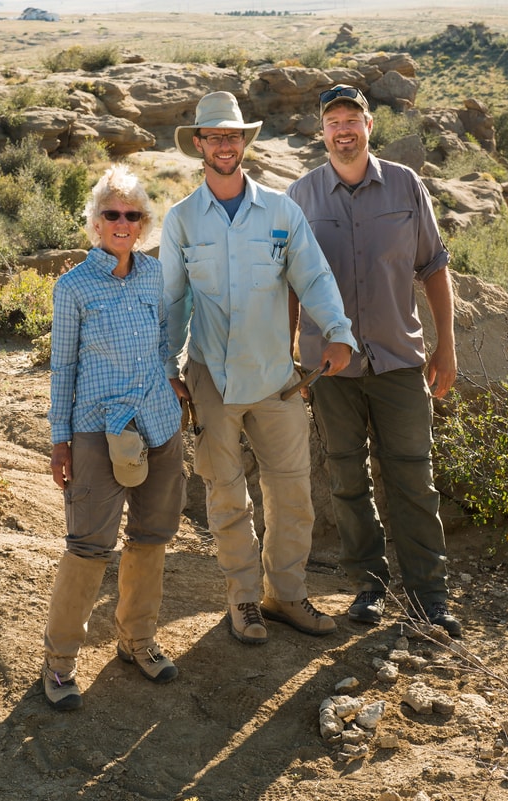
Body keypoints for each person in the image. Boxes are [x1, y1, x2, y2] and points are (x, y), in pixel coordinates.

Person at [161, 91, 358, 645]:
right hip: (210, 379)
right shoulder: (181, 220)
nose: (226, 145)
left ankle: (286, 595)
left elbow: (313, 278)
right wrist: (167, 367)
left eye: (234, 135)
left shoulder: (280, 211)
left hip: (276, 378)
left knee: (292, 494)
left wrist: (339, 332)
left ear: (244, 142)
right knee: (225, 493)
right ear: (198, 144)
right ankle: (244, 598)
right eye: (215, 136)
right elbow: (172, 304)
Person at [286, 84, 463, 639]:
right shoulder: (300, 197)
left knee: (413, 477)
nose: (343, 130)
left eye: (352, 120)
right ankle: (368, 587)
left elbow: (433, 267)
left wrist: (447, 347)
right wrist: (291, 352)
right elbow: (288, 281)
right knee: (346, 476)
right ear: (322, 133)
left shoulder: (407, 186)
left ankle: (430, 598)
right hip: (330, 368)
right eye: (332, 122)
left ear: (369, 127)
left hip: (400, 361)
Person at [42, 165, 186, 711]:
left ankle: (138, 640)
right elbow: (63, 368)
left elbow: (164, 340)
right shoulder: (73, 287)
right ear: (95, 222)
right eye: (111, 214)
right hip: (97, 431)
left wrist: (172, 381)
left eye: (133, 215)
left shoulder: (153, 275)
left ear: (144, 224)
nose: (122, 222)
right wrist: (61, 443)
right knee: (88, 546)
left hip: (157, 423)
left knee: (151, 535)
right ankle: (59, 665)